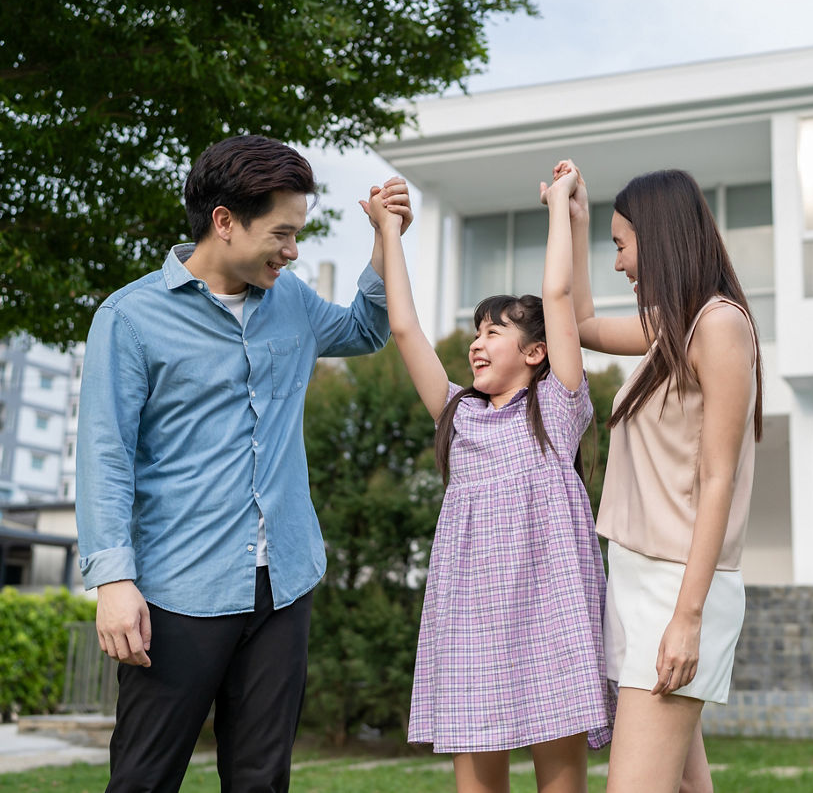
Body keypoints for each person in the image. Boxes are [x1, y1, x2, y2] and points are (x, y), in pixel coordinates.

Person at [75, 134, 412, 792]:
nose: (293, 251)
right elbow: (105, 456)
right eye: (281, 234)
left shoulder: (289, 301)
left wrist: (385, 239)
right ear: (224, 222)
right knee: (144, 778)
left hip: (282, 584)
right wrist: (112, 581)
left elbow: (366, 331)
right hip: (177, 591)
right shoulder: (131, 317)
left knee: (261, 779)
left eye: (297, 234)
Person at [361, 162, 610, 793]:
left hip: (549, 614)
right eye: (475, 332)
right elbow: (405, 327)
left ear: (535, 353)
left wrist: (561, 209)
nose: (476, 343)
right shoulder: (458, 416)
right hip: (470, 614)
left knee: (561, 781)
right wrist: (389, 233)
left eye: (493, 333)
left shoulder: (556, 411)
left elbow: (557, 299)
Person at [560, 164, 761, 793]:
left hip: (678, 586)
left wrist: (688, 617)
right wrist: (574, 219)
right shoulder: (670, 327)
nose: (619, 263)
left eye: (620, 244)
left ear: (659, 235)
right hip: (638, 576)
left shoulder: (719, 325)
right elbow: (582, 325)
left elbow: (719, 478)